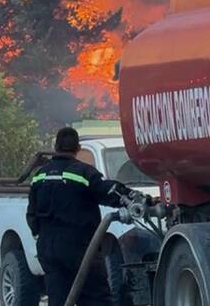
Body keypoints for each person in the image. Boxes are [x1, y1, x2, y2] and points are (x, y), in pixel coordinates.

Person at [27, 127, 138, 306]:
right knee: (96, 298)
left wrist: (40, 235)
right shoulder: (83, 173)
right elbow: (108, 191)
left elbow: (31, 213)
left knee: (58, 299)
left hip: (49, 249)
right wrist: (135, 198)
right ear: (77, 148)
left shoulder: (40, 176)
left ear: (56, 146)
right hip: (79, 249)